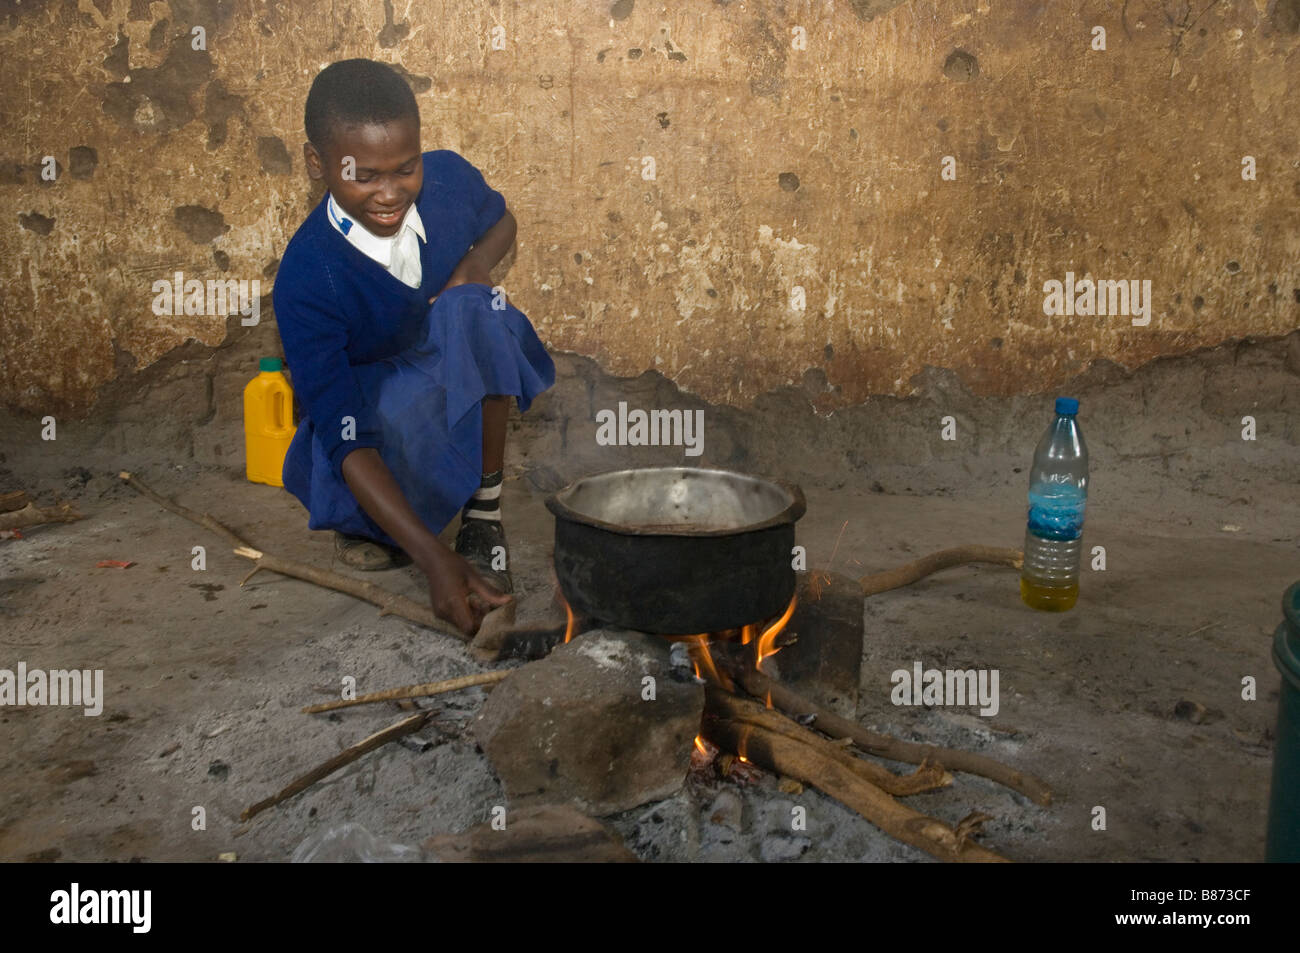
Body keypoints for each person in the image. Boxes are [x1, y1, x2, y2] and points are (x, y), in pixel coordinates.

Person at [272, 58, 555, 636]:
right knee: (379, 452)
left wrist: (475, 264)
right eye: (365, 176)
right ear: (316, 163)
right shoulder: (308, 277)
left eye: (405, 168)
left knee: (480, 311)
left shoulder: (448, 182)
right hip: (372, 415)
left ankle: (484, 507)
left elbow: (503, 220)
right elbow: (346, 434)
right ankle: (373, 523)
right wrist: (435, 561)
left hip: (435, 368)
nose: (389, 193)